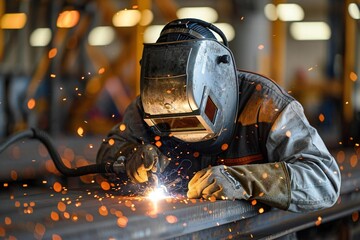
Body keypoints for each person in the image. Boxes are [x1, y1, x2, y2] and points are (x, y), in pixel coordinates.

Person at [96, 18, 341, 213]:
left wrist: (245, 180)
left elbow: (324, 181)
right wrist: (129, 157)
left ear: (220, 85)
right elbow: (108, 153)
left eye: (192, 117)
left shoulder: (265, 104)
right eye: (170, 123)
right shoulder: (147, 106)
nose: (185, 130)